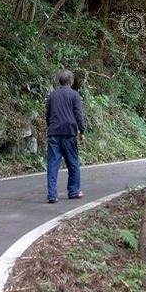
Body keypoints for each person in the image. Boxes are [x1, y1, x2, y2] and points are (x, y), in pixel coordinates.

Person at [44, 69, 86, 203]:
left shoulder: (52, 95)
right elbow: (79, 115)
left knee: (52, 164)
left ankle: (52, 194)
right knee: (73, 163)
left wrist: (49, 127)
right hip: (69, 132)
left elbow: (48, 114)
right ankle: (73, 191)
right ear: (70, 81)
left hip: (54, 132)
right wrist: (82, 131)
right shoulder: (75, 95)